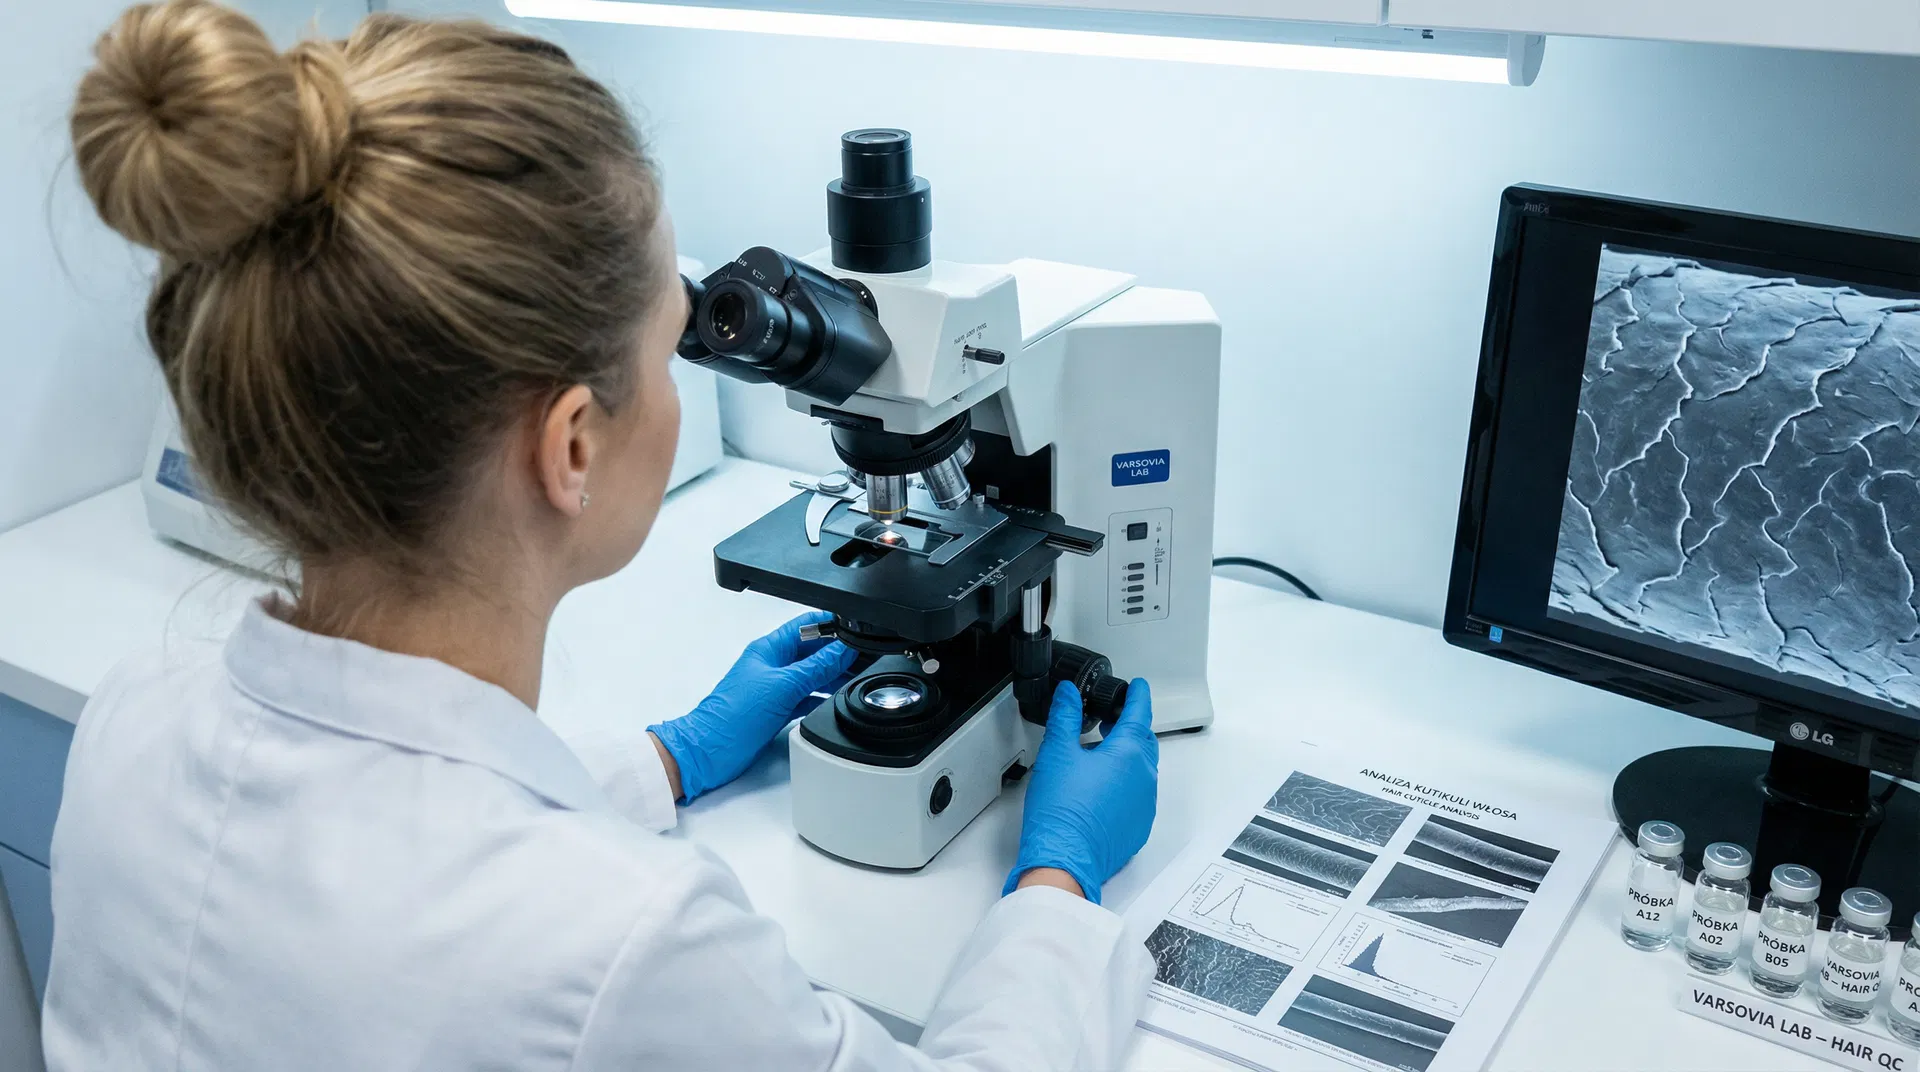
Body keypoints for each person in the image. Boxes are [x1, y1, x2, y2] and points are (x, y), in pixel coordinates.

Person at [41, 1, 1164, 1068]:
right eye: (674, 341)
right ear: (571, 447)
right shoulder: (633, 946)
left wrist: (665, 758)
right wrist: (1057, 889)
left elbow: (381, 854)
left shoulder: (132, 724)